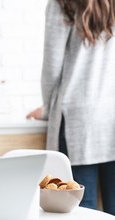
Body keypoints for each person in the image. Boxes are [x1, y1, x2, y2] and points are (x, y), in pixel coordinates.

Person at [27, 0, 115, 215]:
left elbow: (52, 66)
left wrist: (47, 108)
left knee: (81, 210)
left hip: (77, 118)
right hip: (111, 116)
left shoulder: (63, 4)